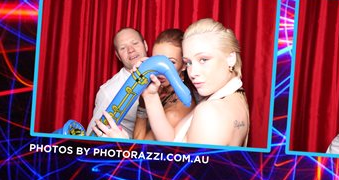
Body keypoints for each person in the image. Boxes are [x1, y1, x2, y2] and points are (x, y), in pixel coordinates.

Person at [137, 18, 249, 146]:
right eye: (189, 62)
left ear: (231, 58)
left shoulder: (209, 112)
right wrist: (150, 96)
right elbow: (172, 140)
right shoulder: (233, 96)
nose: (193, 73)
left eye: (203, 59)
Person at [132, 29, 196, 140]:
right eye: (157, 61)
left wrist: (142, 105)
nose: (161, 69)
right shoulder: (163, 91)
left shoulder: (173, 113)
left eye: (171, 62)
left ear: (184, 65)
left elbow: (138, 147)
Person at [85, 27, 148, 136]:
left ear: (145, 45)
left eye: (135, 43)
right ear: (118, 56)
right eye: (123, 48)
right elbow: (93, 136)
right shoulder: (108, 92)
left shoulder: (163, 74)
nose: (130, 50)